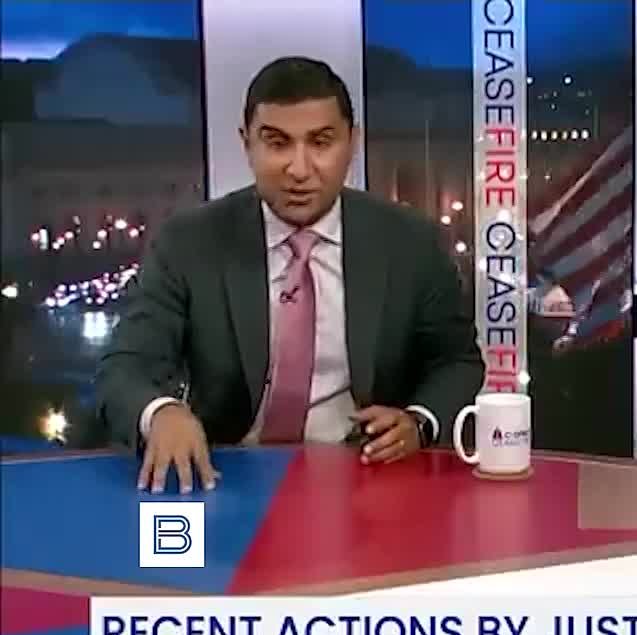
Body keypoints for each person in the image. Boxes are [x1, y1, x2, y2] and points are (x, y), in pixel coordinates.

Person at [94, 56, 483, 494]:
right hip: (226, 477)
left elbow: (457, 361)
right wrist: (161, 412)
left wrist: (418, 421)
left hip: (368, 480)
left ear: (352, 142)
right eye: (277, 143)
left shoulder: (409, 242)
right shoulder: (188, 243)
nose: (299, 169)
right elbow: (125, 367)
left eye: (321, 142)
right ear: (247, 144)